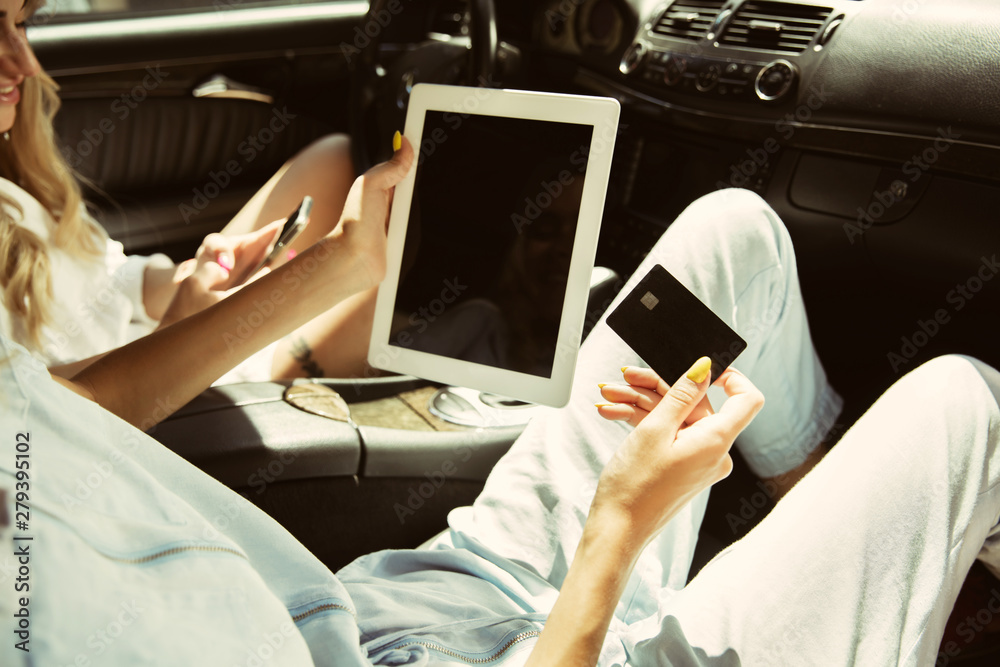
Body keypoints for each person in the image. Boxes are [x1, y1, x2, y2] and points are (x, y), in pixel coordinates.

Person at [2, 115, 1000, 665]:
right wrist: (620, 521)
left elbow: (69, 416)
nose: (13, 66)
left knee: (727, 235)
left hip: (390, 613)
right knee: (959, 408)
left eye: (14, 23)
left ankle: (855, 542)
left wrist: (346, 264)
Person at [0, 0, 376, 385]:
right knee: (382, 266)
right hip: (152, 393)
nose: (26, 63)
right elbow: (32, 409)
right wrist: (181, 329)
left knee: (336, 160)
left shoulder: (13, 179)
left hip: (149, 341)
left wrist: (190, 278)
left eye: (21, 24)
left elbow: (104, 278)